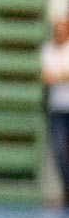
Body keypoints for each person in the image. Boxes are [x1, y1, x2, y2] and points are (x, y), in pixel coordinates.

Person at [43, 16, 69, 205]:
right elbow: (47, 77)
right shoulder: (47, 49)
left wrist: (57, 75)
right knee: (60, 151)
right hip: (57, 109)